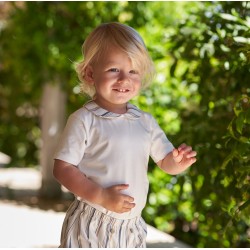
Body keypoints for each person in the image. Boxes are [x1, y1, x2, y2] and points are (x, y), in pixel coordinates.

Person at [53, 22, 197, 248]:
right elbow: (63, 168)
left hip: (132, 225)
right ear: (90, 73)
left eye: (133, 71)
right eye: (113, 70)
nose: (124, 79)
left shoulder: (145, 122)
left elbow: (164, 161)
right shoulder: (85, 120)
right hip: (92, 220)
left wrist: (177, 162)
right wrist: (101, 196)